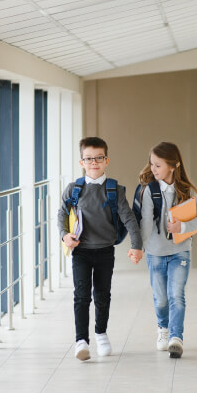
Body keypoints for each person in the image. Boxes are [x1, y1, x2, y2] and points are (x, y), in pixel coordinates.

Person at [59, 136, 143, 361]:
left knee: (103, 295)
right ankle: (81, 341)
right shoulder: (73, 189)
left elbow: (129, 219)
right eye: (88, 159)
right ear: (81, 162)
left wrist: (137, 246)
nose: (93, 162)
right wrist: (64, 235)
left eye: (98, 158)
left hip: (105, 251)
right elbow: (62, 215)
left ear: (106, 160)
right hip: (81, 251)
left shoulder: (114, 189)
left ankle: (101, 333)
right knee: (81, 295)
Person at [128, 142, 197, 358]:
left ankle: (176, 337)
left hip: (180, 251)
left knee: (176, 295)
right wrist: (138, 248)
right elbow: (145, 222)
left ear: (173, 166)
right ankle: (163, 329)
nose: (153, 169)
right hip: (155, 252)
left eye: (158, 165)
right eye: (152, 164)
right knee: (161, 297)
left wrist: (182, 227)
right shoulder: (148, 190)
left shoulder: (186, 191)